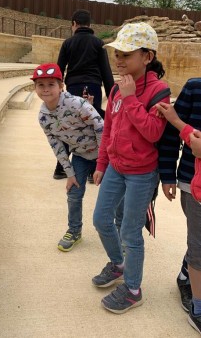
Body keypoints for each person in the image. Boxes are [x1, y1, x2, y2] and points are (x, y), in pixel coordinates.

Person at [92, 22, 170, 314]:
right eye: (117, 53)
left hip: (142, 173)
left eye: (127, 53)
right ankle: (119, 264)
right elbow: (109, 130)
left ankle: (133, 289)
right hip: (116, 167)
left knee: (130, 232)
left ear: (147, 57)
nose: (119, 59)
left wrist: (131, 98)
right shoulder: (115, 88)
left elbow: (153, 132)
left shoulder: (159, 90)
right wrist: (102, 164)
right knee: (101, 219)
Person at [32, 62, 104, 252]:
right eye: (41, 85)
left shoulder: (77, 103)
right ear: (35, 88)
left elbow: (100, 127)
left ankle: (121, 233)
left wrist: (103, 161)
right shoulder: (43, 116)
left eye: (51, 84)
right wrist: (69, 173)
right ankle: (74, 231)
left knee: (114, 196)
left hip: (105, 155)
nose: (46, 89)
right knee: (73, 194)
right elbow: (56, 146)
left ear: (61, 86)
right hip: (80, 155)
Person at [156, 79, 201, 334]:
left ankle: (185, 275)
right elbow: (171, 136)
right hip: (192, 184)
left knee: (198, 242)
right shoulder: (195, 88)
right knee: (199, 246)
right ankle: (198, 309)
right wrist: (167, 175)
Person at [54, 9, 114, 180]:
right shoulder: (98, 43)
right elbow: (106, 72)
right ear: (90, 25)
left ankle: (61, 168)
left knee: (68, 124)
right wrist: (112, 97)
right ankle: (92, 170)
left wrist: (58, 90)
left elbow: (59, 69)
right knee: (93, 126)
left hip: (73, 88)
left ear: (74, 24)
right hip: (93, 87)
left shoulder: (68, 43)